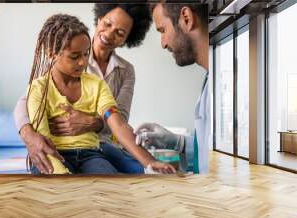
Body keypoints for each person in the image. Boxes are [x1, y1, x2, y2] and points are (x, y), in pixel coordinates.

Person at [25, 13, 175, 175]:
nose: (83, 62)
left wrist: (151, 162)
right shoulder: (38, 89)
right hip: (54, 155)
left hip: (91, 154)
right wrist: (63, 176)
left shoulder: (97, 84)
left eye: (85, 53)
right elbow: (43, 143)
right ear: (51, 53)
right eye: (74, 56)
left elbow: (118, 124)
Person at [135, 2, 209, 174]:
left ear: (186, 18)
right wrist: (179, 143)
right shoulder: (208, 81)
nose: (163, 43)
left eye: (162, 30)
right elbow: (208, 152)